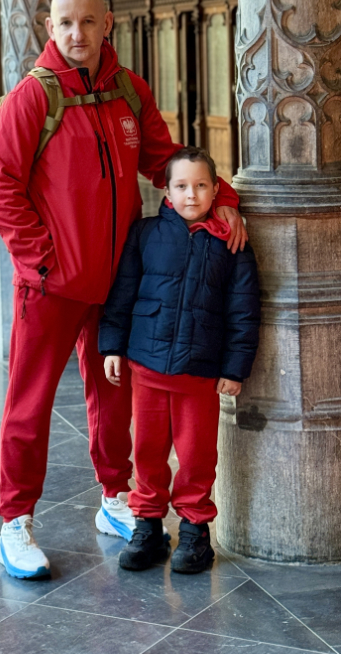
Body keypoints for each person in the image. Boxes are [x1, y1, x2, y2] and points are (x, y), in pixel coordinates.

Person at [0, 0, 248, 580]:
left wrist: (224, 198)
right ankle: (14, 522)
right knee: (30, 403)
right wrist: (44, 262)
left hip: (118, 285)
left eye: (87, 22)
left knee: (114, 395)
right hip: (50, 286)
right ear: (51, 29)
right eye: (65, 23)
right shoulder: (32, 98)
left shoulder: (128, 90)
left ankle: (114, 496)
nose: (76, 33)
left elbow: (165, 162)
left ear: (107, 26)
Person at [100, 146, 260, 574]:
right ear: (167, 192)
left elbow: (244, 310)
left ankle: (194, 530)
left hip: (199, 372)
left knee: (196, 455)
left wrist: (234, 368)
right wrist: (112, 345)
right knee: (148, 451)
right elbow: (123, 292)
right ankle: (148, 526)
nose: (192, 194)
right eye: (182, 186)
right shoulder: (145, 234)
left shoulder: (232, 242)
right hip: (147, 367)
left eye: (202, 185)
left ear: (216, 191)